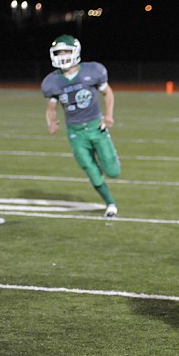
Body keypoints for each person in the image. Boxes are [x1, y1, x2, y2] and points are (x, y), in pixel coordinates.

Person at [41, 34, 120, 218]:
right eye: (59, 52)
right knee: (91, 171)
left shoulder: (93, 71)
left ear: (76, 52)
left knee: (113, 171)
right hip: (75, 132)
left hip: (96, 126)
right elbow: (51, 108)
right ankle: (110, 203)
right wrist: (50, 122)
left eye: (66, 51)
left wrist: (108, 116)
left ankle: (109, 159)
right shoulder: (52, 81)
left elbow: (108, 93)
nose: (62, 56)